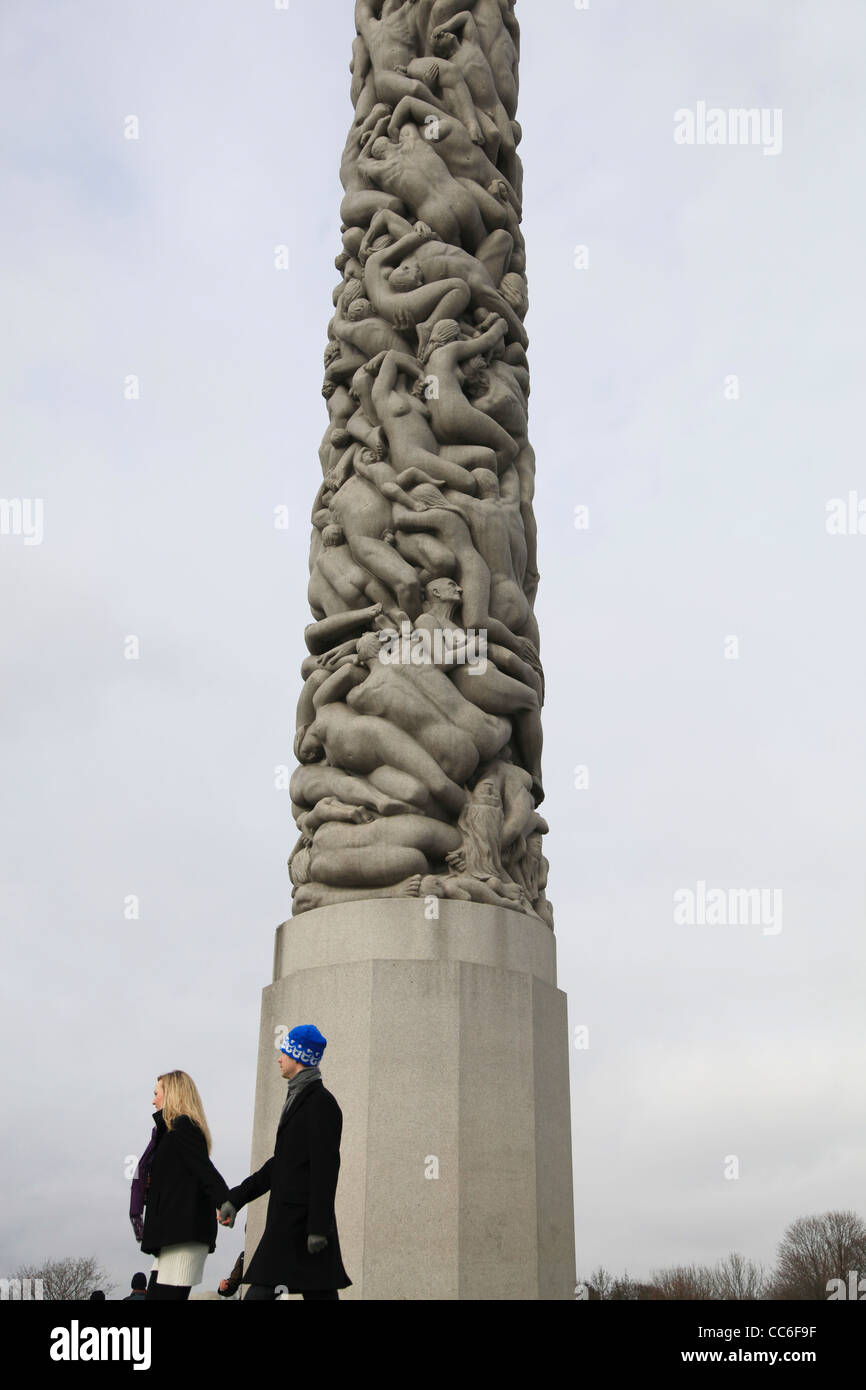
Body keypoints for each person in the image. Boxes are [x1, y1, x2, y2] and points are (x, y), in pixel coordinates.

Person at [219, 1026, 351, 1301]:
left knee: (260, 1294)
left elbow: (326, 1168)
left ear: (298, 1056)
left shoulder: (321, 1104)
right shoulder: (297, 1099)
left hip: (301, 1224)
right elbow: (280, 1164)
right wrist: (237, 1198)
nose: (279, 1057)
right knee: (319, 1293)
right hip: (291, 1222)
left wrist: (318, 1226)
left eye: (285, 1051)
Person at [137, 1070, 230, 1301]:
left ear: (172, 1094)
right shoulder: (169, 1133)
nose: (153, 1100)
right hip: (172, 1235)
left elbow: (203, 1169)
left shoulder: (183, 1127)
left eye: (156, 1093)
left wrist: (225, 1201)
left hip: (183, 1234)